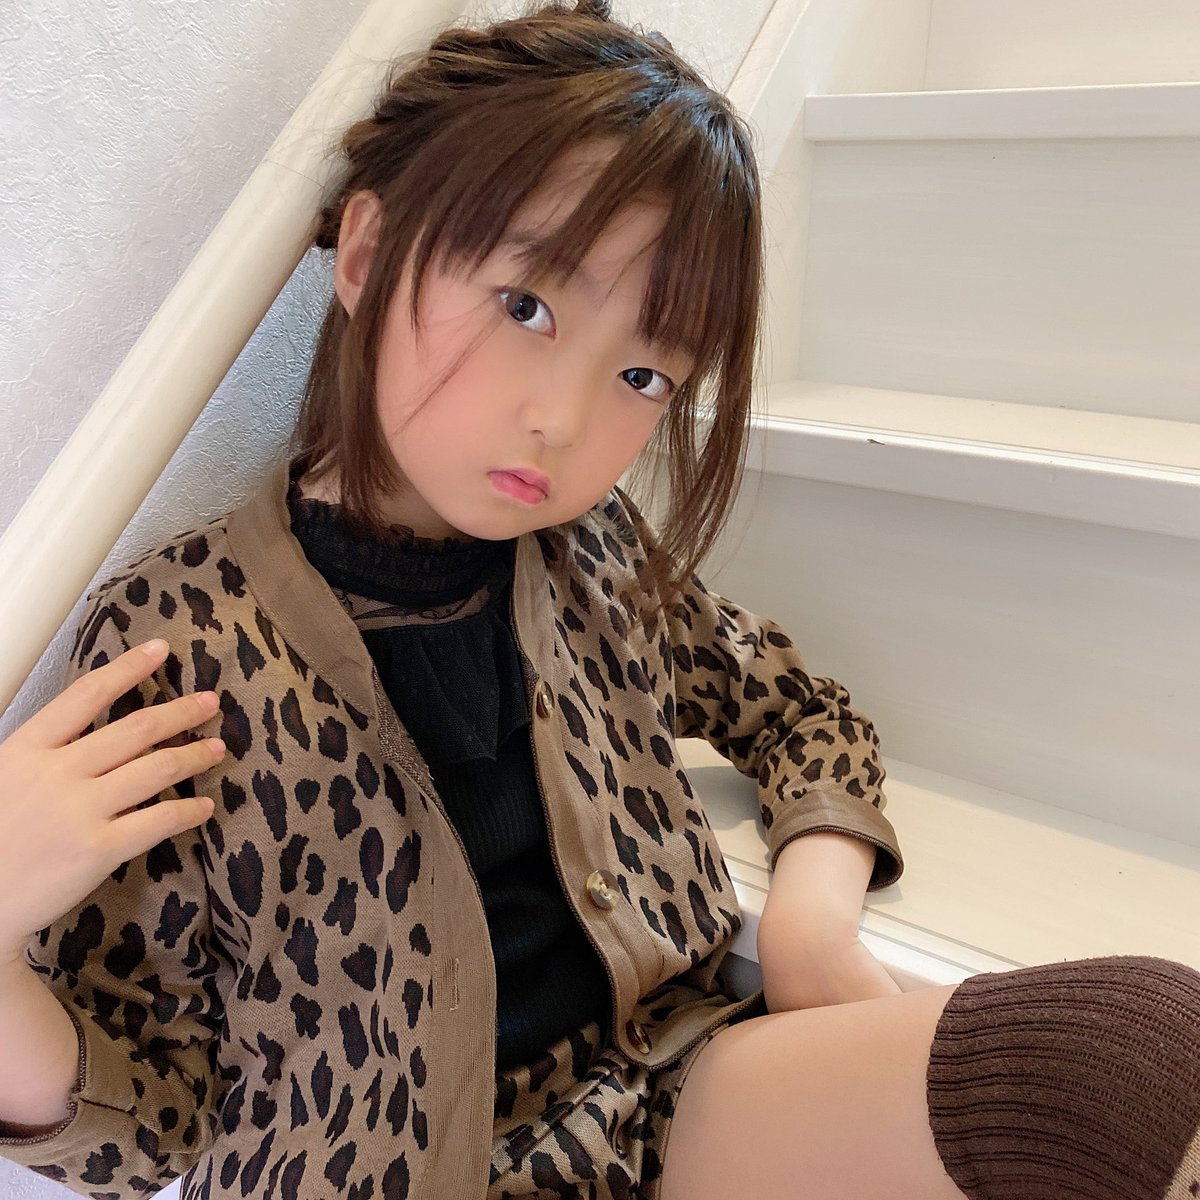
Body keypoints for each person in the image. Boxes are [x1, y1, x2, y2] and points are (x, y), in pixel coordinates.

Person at [2, 0, 1198, 1196]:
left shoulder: (595, 554)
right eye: (526, 306)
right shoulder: (181, 644)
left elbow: (801, 715)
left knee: (1144, 1054)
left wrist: (808, 923)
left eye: (642, 373)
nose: (564, 420)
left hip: (670, 1112)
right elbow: (146, 1128)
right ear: (366, 256)